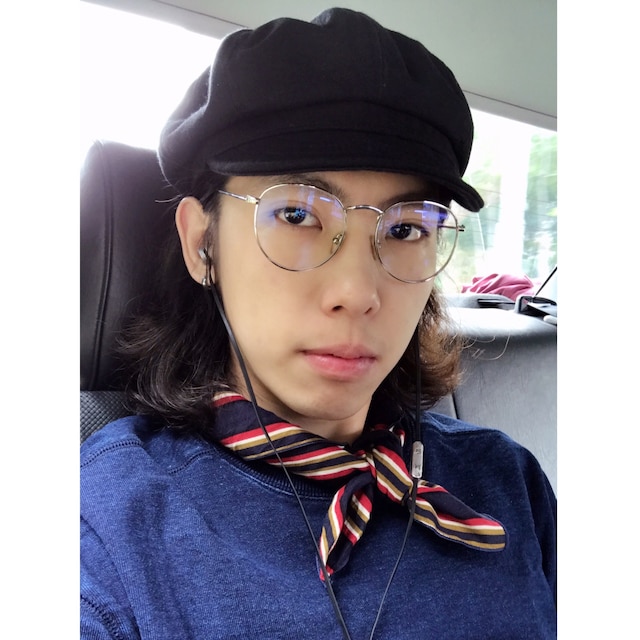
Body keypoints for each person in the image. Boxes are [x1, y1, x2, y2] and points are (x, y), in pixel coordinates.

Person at [80, 8, 556, 639]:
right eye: (297, 216)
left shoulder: (508, 482)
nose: (357, 293)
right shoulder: (106, 529)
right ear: (202, 244)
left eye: (406, 228)